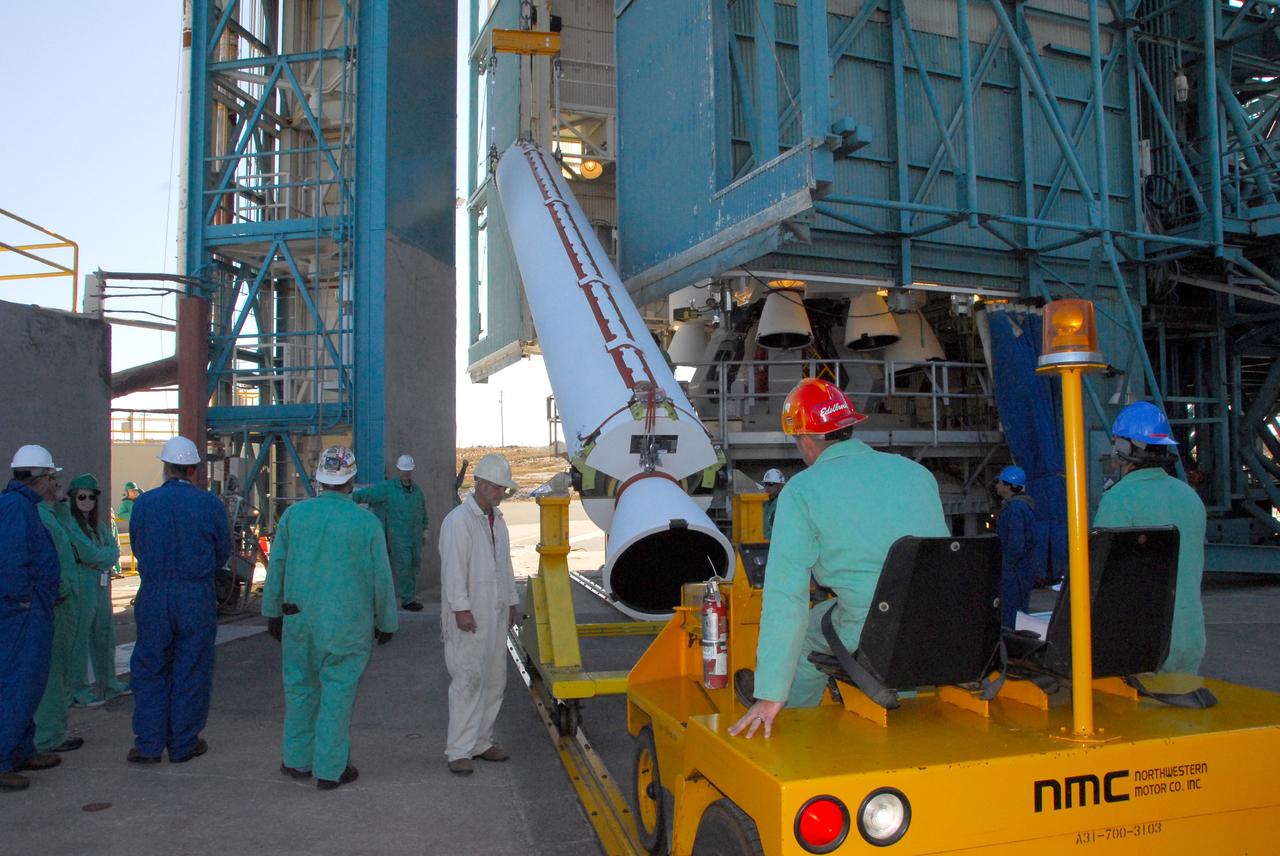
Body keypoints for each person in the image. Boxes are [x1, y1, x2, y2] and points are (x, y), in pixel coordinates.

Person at [730, 379, 948, 739]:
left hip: (870, 626)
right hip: (933, 624)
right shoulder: (917, 474)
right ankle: (900, 718)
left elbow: (787, 600)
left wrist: (770, 692)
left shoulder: (801, 491)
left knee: (804, 635)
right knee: (891, 630)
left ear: (805, 440)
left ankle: (790, 728)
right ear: (848, 427)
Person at [262, 445, 399, 791]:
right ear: (351, 480)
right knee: (337, 694)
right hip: (346, 626)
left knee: (300, 690)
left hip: (299, 621)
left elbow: (276, 565)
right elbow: (380, 578)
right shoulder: (366, 523)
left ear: (320, 479)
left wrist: (271, 611)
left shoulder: (295, 516)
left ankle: (296, 760)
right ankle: (330, 769)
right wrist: (386, 621)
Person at [127, 436, 231, 764]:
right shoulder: (210, 505)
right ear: (194, 469)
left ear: (166, 467)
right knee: (192, 667)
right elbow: (222, 552)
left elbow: (138, 546)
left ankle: (148, 744)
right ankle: (183, 742)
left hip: (155, 593)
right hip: (194, 594)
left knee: (150, 668)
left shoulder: (144, 504)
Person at [1094, 401, 1206, 674]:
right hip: (1188, 637)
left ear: (1123, 448)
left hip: (1142, 643)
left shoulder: (1118, 499)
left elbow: (1101, 579)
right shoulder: (1190, 497)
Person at [439, 453, 520, 775]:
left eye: (504, 489)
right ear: (483, 485)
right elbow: (453, 571)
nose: (502, 494)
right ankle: (459, 749)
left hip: (495, 612)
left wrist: (512, 601)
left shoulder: (497, 520)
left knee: (493, 680)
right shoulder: (458, 521)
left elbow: (505, 564)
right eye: (499, 488)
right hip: (470, 615)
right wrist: (461, 609)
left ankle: (481, 741)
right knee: (468, 680)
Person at [0, 445, 66, 791]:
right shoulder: (15, 508)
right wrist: (23, 601)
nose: (56, 485)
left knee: (29, 684)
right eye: (52, 477)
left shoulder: (24, 507)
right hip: (21, 613)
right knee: (17, 683)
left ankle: (21, 751)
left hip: (30, 609)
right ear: (40, 478)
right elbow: (10, 561)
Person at [63, 474, 129, 706]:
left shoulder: (99, 526)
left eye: (92, 497)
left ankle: (108, 683)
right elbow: (88, 553)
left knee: (105, 633)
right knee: (79, 638)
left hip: (100, 584)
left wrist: (101, 558)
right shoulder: (71, 525)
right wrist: (102, 557)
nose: (87, 501)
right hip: (81, 584)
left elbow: (113, 550)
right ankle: (77, 689)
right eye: (82, 496)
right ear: (73, 498)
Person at [32, 463, 83, 756]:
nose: (57, 483)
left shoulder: (49, 515)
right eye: (53, 479)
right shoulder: (39, 518)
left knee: (60, 670)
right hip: (56, 603)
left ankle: (53, 731)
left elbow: (68, 535)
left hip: (63, 602)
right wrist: (61, 589)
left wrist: (61, 501)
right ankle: (47, 737)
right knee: (51, 674)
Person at [353, 454, 428, 612]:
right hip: (399, 537)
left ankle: (411, 596)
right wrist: (349, 497)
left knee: (414, 566)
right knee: (404, 566)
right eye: (404, 470)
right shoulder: (389, 488)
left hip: (415, 536)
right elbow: (370, 494)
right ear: (399, 470)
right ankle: (407, 600)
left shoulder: (417, 491)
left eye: (408, 470)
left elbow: (423, 512)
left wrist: (425, 530)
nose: (406, 473)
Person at [994, 465, 1038, 628]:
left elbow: (1015, 545)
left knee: (1011, 617)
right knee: (1020, 615)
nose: (997, 486)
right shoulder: (1022, 507)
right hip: (1020, 571)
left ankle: (1012, 649)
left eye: (1000, 483)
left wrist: (1005, 565)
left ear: (1008, 486)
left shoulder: (1014, 510)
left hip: (1013, 573)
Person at [760, 468, 786, 539]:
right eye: (765, 484)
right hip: (762, 544)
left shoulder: (784, 504)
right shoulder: (765, 503)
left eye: (770, 484)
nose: (767, 487)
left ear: (780, 485)